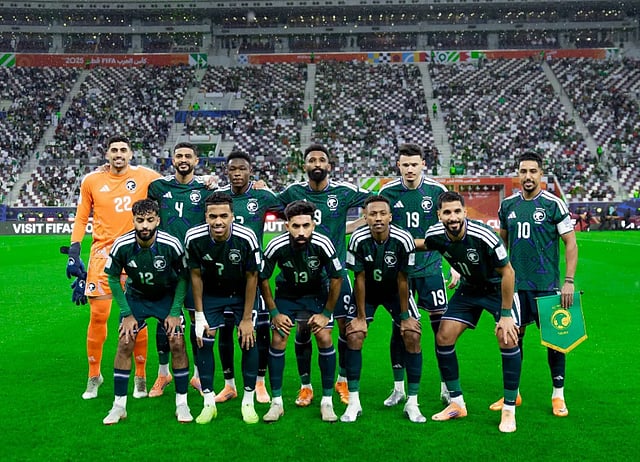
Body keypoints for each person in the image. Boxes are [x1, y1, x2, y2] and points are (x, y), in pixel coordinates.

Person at [418, 191, 522, 433]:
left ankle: (509, 409)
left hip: (497, 288)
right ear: (439, 215)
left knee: (507, 337)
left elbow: (508, 272)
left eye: (457, 211)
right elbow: (426, 245)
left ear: (465, 212)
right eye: (447, 212)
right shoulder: (435, 234)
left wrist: (506, 314)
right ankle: (457, 403)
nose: (453, 217)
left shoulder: (484, 235)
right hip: (470, 288)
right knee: (443, 336)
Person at [66, 134, 160, 400]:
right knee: (98, 316)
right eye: (114, 150)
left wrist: (207, 181)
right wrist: (74, 251)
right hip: (102, 255)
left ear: (130, 154)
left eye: (123, 150)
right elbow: (81, 217)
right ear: (107, 154)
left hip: (136, 254)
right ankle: (94, 375)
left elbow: (175, 185)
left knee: (138, 317)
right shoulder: (91, 180)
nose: (118, 154)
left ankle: (140, 376)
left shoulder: (146, 176)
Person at [276, 143, 371, 407]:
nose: (317, 164)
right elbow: (266, 202)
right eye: (312, 160)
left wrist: (354, 225)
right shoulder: (293, 191)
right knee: (304, 329)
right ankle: (305, 386)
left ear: (329, 165)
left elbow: (376, 201)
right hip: (304, 276)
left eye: (321, 160)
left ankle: (342, 380)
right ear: (304, 165)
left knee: (345, 328)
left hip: (335, 274)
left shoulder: (343, 191)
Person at [492, 151, 577, 417]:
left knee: (555, 340)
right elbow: (500, 244)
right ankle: (513, 393)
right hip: (516, 287)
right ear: (518, 174)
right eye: (523, 171)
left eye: (533, 171)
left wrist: (568, 281)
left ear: (541, 173)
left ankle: (558, 395)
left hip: (547, 285)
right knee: (512, 338)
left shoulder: (554, 204)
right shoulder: (507, 205)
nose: (528, 176)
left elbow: (571, 243)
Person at [378, 143, 457, 407]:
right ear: (398, 166)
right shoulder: (387, 192)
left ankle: (446, 387)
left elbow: (450, 230)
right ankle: (398, 388)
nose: (410, 169)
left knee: (441, 329)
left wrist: (454, 265)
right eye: (405, 165)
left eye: (414, 164)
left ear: (423, 164)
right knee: (400, 327)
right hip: (400, 272)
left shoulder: (437, 191)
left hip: (431, 269)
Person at [102, 199, 192, 424]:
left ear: (157, 221)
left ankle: (182, 404)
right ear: (133, 220)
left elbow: (184, 277)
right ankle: (118, 406)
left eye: (150, 220)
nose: (145, 225)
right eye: (140, 220)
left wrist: (174, 312)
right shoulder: (122, 245)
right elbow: (112, 278)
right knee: (125, 342)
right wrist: (127, 313)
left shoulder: (171, 244)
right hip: (137, 298)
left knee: (177, 342)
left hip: (165, 297)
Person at [341, 195, 425, 424]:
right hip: (367, 292)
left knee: (412, 334)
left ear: (390, 216)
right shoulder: (357, 239)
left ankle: (412, 402)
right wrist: (360, 317)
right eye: (372, 214)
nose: (378, 218)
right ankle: (353, 402)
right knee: (354, 335)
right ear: (365, 217)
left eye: (382, 214)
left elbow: (403, 279)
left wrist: (405, 316)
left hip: (395, 292)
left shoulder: (403, 239)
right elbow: (358, 278)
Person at [260, 201, 343, 422]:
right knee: (278, 338)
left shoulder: (323, 243)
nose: (301, 232)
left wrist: (326, 313)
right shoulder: (276, 245)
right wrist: (274, 312)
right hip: (287, 295)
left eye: (306, 226)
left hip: (316, 294)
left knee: (324, 336)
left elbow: (337, 278)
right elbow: (262, 277)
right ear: (287, 226)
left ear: (313, 225)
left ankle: (327, 402)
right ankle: (276, 403)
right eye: (296, 226)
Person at [184, 192, 261, 424]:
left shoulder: (246, 237)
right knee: (203, 339)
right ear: (205, 216)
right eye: (213, 216)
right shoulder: (193, 237)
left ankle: (248, 402)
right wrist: (199, 315)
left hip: (241, 294)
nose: (218, 221)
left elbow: (252, 277)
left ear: (232, 216)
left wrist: (246, 319)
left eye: (224, 216)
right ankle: (208, 403)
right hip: (211, 294)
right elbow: (195, 275)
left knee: (248, 339)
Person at [214, 150, 282, 405]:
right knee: (225, 331)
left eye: (242, 169)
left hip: (255, 274)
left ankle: (260, 382)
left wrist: (269, 188)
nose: (237, 173)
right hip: (224, 276)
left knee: (260, 330)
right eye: (232, 169)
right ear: (226, 171)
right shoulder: (219, 197)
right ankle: (229, 384)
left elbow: (291, 211)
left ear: (250, 171)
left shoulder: (262, 196)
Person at [146, 142, 210, 398]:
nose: (183, 160)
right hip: (165, 266)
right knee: (164, 319)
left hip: (195, 266)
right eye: (179, 156)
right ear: (172, 160)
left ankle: (197, 375)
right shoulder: (158, 187)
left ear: (196, 161)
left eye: (188, 156)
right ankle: (163, 373)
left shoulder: (206, 189)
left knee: (197, 320)